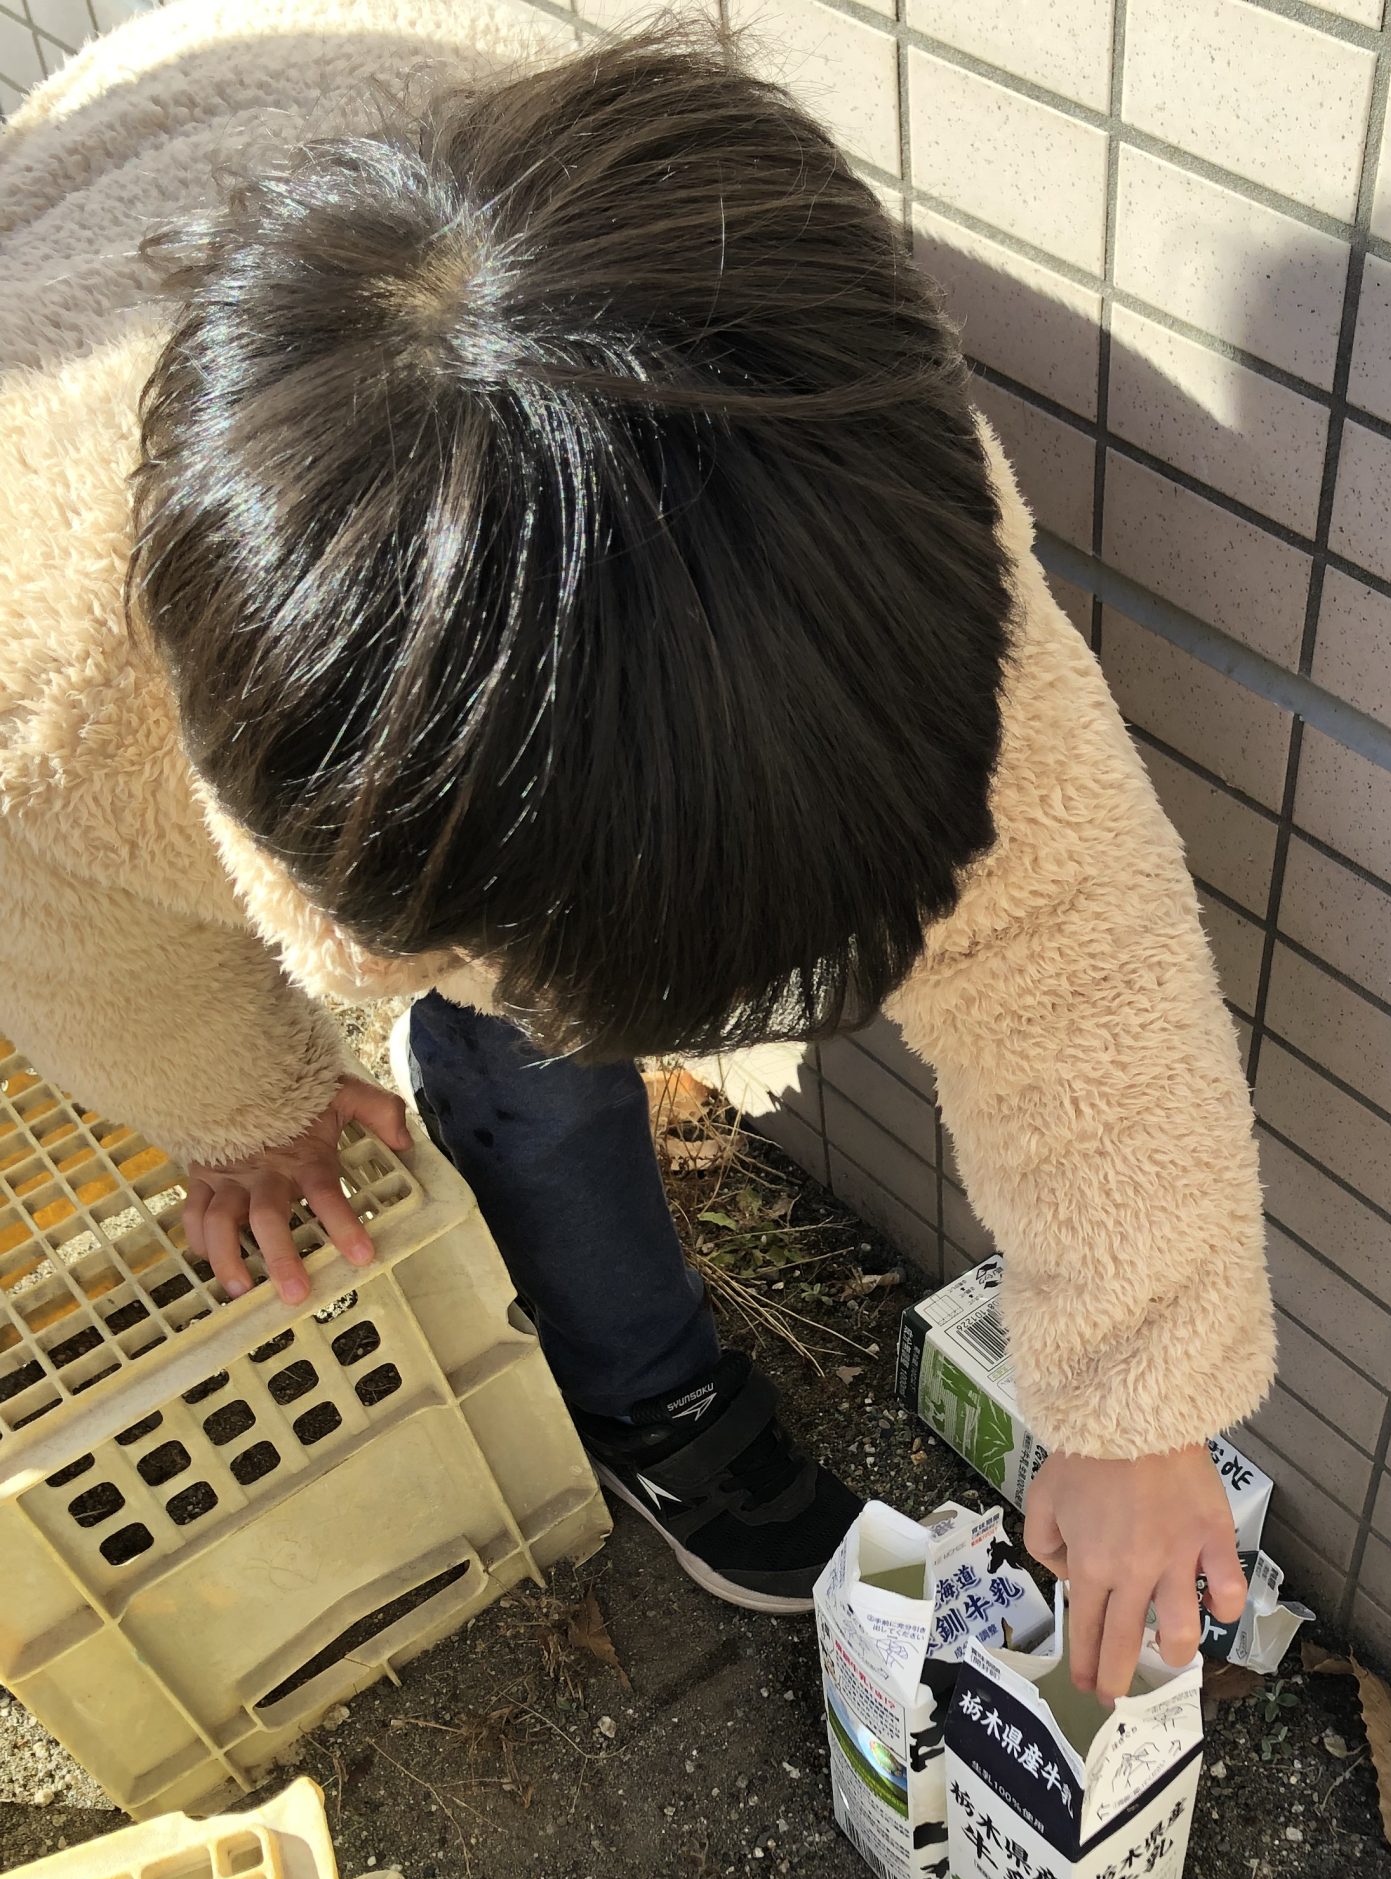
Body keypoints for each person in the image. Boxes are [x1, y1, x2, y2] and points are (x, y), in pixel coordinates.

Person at [0, 0, 1275, 1704]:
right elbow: (64, 935)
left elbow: (1065, 928)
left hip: (414, 112)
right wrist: (237, 1109)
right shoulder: (45, 684)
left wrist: (1138, 1403)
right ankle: (646, 1383)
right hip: (99, 203)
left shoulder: (846, 512)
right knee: (525, 1060)